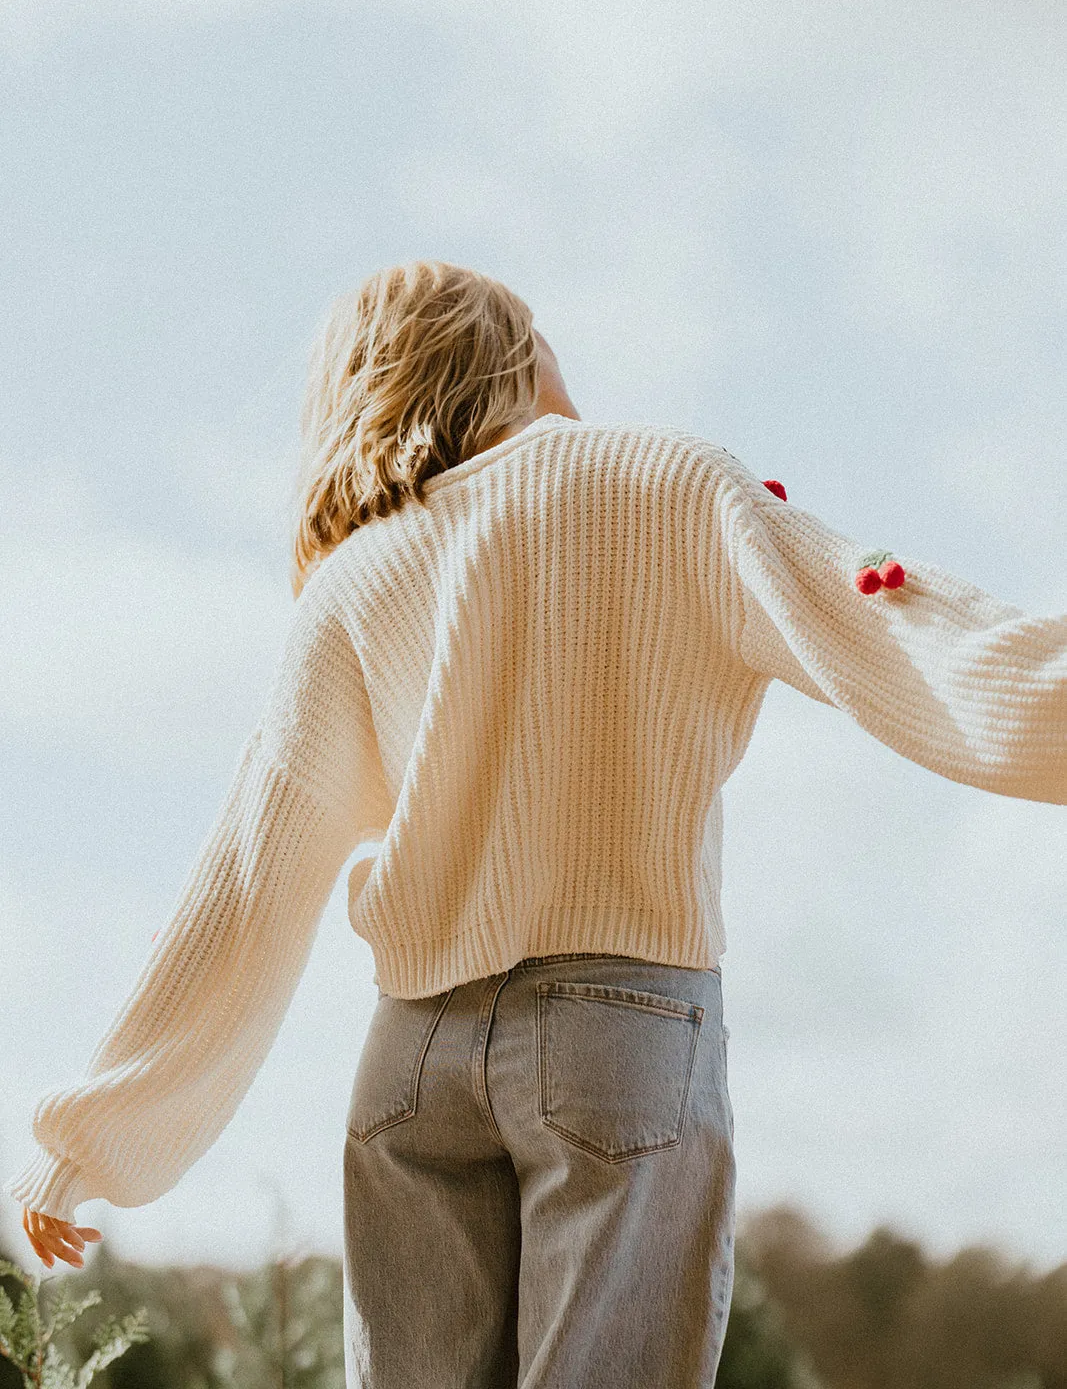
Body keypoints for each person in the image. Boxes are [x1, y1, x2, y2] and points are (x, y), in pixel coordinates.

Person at [7, 260, 1065, 1388]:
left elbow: (242, 883)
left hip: (409, 1065)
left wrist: (86, 1146)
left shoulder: (355, 577)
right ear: (505, 348)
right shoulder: (666, 481)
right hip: (618, 1036)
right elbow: (886, 621)